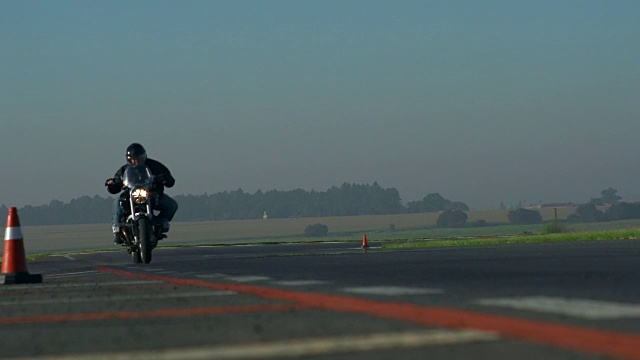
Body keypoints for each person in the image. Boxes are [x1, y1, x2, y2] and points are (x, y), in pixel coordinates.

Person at [104, 143, 178, 245]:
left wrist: (166, 178)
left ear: (143, 157)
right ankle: (116, 229)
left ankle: (160, 225)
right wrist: (112, 183)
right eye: (132, 159)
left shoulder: (156, 166)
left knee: (172, 205)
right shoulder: (124, 169)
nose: (136, 161)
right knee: (117, 202)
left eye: (138, 158)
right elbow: (115, 185)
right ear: (128, 159)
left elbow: (170, 181)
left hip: (152, 194)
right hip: (130, 195)